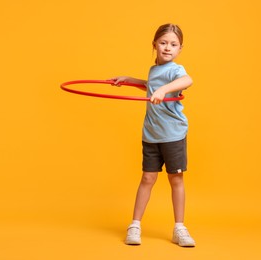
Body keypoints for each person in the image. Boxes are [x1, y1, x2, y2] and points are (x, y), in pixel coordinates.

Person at [110, 23, 195, 247]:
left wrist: (164, 90)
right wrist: (129, 80)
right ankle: (135, 225)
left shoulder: (176, 69)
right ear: (155, 45)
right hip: (151, 134)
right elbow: (151, 87)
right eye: (164, 43)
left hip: (173, 134)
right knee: (147, 178)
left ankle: (180, 228)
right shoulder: (154, 69)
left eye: (173, 45)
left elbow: (187, 81)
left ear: (180, 49)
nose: (168, 48)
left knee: (175, 179)